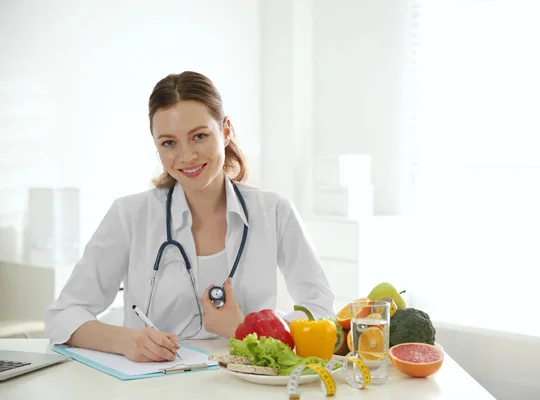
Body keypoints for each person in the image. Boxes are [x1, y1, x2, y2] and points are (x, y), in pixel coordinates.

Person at [44, 71, 335, 363]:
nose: (186, 156)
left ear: (226, 131)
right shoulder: (129, 216)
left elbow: (321, 309)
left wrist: (244, 330)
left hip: (249, 384)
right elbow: (64, 315)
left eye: (199, 136)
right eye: (169, 143)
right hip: (155, 386)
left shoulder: (274, 212)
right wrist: (127, 340)